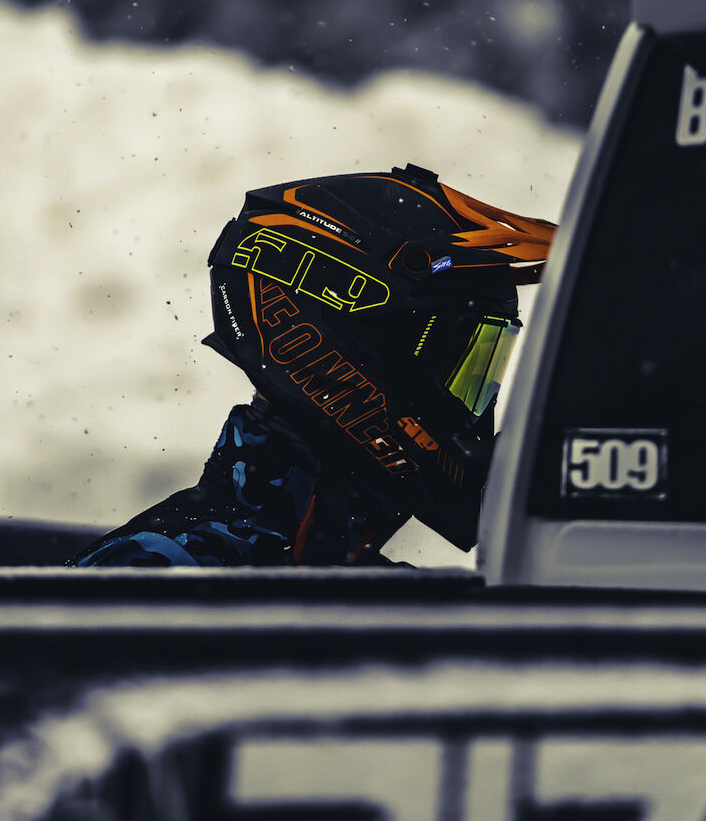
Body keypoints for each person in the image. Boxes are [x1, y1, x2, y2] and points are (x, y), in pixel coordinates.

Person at [70, 165, 555, 567]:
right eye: (457, 362)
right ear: (351, 337)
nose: (470, 408)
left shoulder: (375, 593)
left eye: (483, 368)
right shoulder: (165, 570)